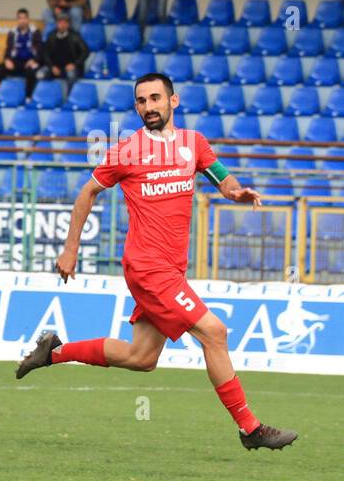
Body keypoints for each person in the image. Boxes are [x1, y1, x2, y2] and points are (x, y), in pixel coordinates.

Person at [16, 73, 296, 452]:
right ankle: (250, 428)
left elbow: (221, 178)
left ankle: (54, 352)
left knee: (141, 357)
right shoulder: (126, 151)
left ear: (173, 102)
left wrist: (236, 193)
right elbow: (88, 192)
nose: (148, 107)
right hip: (148, 267)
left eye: (155, 98)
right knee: (214, 333)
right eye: (141, 101)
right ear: (136, 108)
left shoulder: (192, 144)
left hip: (170, 269)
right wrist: (71, 249)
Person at [0, 8, 43, 97]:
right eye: (20, 18)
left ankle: (28, 97)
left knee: (32, 71)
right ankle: (4, 91)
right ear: (17, 20)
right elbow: (8, 49)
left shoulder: (35, 32)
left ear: (28, 19)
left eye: (24, 18)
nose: (22, 20)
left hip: (30, 62)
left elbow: (40, 49)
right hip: (16, 62)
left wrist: (34, 60)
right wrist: (7, 60)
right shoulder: (12, 32)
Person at [37, 12, 89, 88]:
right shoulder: (51, 35)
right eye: (60, 22)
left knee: (71, 75)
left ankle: (69, 98)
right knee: (40, 74)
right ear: (56, 24)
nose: (62, 25)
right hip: (54, 67)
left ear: (68, 24)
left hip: (70, 67)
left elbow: (85, 51)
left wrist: (75, 64)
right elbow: (45, 53)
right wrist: (52, 66)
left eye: (65, 22)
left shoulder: (75, 35)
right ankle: (46, 98)